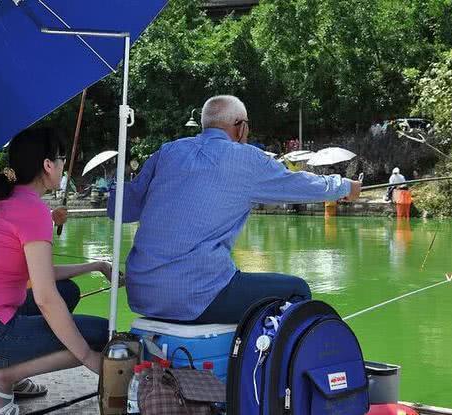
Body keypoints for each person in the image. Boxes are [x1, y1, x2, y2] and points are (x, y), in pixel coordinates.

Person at [108, 95, 361, 324]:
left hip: (141, 292)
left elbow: (120, 210)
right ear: (240, 127)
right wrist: (345, 186)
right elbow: (300, 185)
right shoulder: (247, 159)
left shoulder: (167, 152)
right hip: (197, 294)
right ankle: (265, 369)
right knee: (297, 289)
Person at [0, 128, 111, 415]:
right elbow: (44, 297)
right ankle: (1, 379)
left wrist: (96, 265)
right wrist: (87, 357)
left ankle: (6, 371)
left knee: (69, 290)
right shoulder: (33, 211)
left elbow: (40, 275)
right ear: (47, 165)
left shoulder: (7, 200)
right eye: (61, 158)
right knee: (99, 333)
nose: (62, 166)